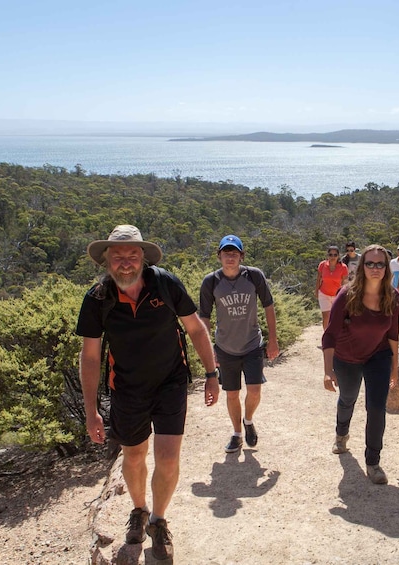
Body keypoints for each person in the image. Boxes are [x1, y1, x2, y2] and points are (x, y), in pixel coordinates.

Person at [76, 225, 219, 561]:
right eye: (118, 256)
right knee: (134, 456)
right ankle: (138, 509)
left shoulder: (165, 284)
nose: (125, 262)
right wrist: (90, 409)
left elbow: (195, 328)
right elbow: (91, 355)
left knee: (168, 457)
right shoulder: (98, 298)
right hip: (126, 388)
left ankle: (158, 519)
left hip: (170, 382)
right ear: (106, 261)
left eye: (132, 255)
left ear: (143, 257)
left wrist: (212, 374)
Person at [322, 244, 399, 485]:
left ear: (387, 268)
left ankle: (373, 462)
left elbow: (394, 335)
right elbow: (330, 335)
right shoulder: (346, 295)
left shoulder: (393, 296)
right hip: (347, 356)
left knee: (376, 407)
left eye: (380, 264)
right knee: (348, 398)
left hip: (378, 355)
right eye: (370, 263)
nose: (375, 268)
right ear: (362, 266)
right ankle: (341, 433)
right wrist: (327, 371)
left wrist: (395, 368)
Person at [200, 235, 280, 453]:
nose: (230, 257)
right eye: (226, 253)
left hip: (252, 344)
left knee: (254, 390)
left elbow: (269, 306)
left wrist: (273, 339)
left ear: (241, 256)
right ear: (219, 256)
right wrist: (209, 351)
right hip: (225, 348)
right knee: (232, 393)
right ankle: (237, 433)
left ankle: (248, 420)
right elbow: (204, 318)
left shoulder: (254, 276)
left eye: (234, 253)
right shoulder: (211, 282)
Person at [316, 245, 349, 330]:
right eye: (330, 254)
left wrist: (344, 295)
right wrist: (316, 291)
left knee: (336, 317)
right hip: (324, 293)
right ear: (327, 255)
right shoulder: (322, 265)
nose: (333, 257)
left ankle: (336, 337)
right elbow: (319, 278)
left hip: (337, 295)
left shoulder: (343, 267)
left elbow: (345, 283)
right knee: (326, 317)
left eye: (335, 255)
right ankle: (326, 338)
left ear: (338, 256)